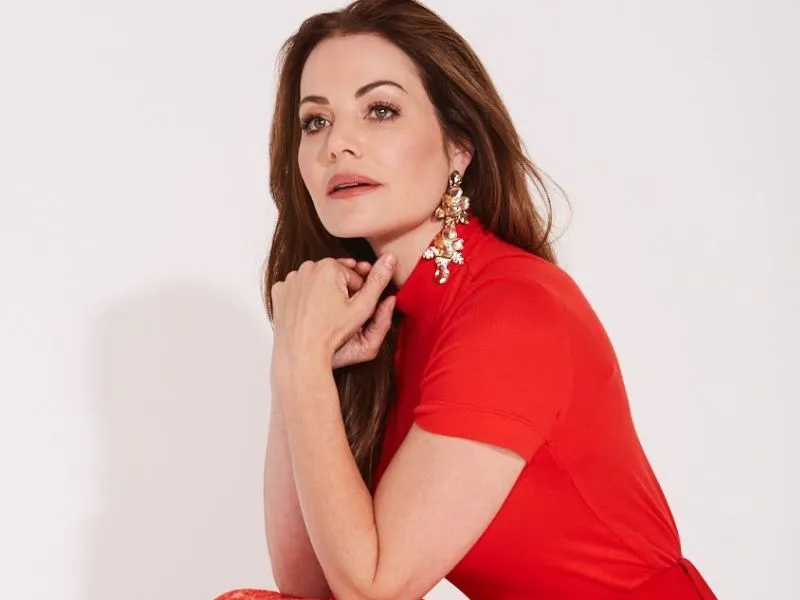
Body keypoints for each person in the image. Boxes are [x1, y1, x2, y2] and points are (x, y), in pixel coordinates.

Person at [215, 1, 717, 599]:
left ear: (459, 146)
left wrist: (302, 369)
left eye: (380, 110)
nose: (338, 145)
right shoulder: (382, 318)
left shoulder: (512, 309)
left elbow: (373, 589)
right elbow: (312, 586)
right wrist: (298, 354)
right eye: (315, 121)